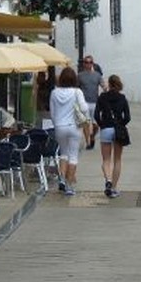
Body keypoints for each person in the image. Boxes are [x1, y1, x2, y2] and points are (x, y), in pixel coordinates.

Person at [48, 66, 88, 196]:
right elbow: (84, 108)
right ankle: (69, 185)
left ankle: (62, 180)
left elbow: (52, 113)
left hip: (60, 127)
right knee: (73, 156)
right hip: (74, 127)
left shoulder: (54, 93)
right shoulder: (77, 92)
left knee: (63, 154)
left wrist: (57, 124)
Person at [94, 74, 131, 198]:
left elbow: (96, 115)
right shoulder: (122, 98)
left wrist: (102, 125)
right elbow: (127, 117)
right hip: (118, 130)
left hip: (105, 129)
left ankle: (108, 180)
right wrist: (120, 124)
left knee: (106, 159)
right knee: (117, 160)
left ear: (109, 84)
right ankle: (114, 188)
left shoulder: (102, 97)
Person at [77, 55, 106, 149]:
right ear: (83, 64)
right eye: (86, 62)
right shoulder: (80, 75)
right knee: (85, 123)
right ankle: (88, 142)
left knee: (95, 124)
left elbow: (103, 85)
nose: (88, 64)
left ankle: (92, 137)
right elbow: (76, 88)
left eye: (90, 62)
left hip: (95, 102)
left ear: (93, 64)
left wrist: (107, 90)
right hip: (84, 102)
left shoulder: (97, 75)